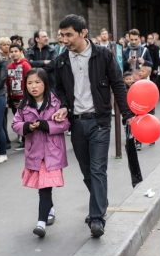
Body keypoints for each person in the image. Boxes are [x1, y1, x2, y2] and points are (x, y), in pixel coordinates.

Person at [53, 14, 135, 237]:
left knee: (98, 170)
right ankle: (100, 202)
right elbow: (58, 88)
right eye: (62, 35)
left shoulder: (104, 55)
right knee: (87, 172)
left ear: (83, 33)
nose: (65, 39)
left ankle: (97, 218)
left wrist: (126, 114)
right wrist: (62, 106)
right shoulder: (61, 60)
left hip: (99, 122)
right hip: (76, 124)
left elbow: (118, 85)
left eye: (69, 35)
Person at [12, 69, 70, 237]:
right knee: (43, 186)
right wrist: (26, 127)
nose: (33, 86)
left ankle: (41, 223)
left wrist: (47, 125)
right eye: (29, 83)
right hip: (35, 152)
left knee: (45, 189)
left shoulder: (56, 103)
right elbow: (15, 124)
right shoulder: (24, 105)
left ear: (45, 83)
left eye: (37, 82)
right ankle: (49, 209)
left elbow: (65, 124)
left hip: (52, 152)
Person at [6, 43, 32, 150]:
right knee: (18, 120)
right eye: (11, 52)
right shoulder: (9, 66)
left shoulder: (25, 65)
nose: (13, 54)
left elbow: (29, 80)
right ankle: (23, 140)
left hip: (24, 97)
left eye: (16, 51)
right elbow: (7, 82)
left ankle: (28, 142)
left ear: (21, 52)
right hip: (13, 98)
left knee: (26, 120)